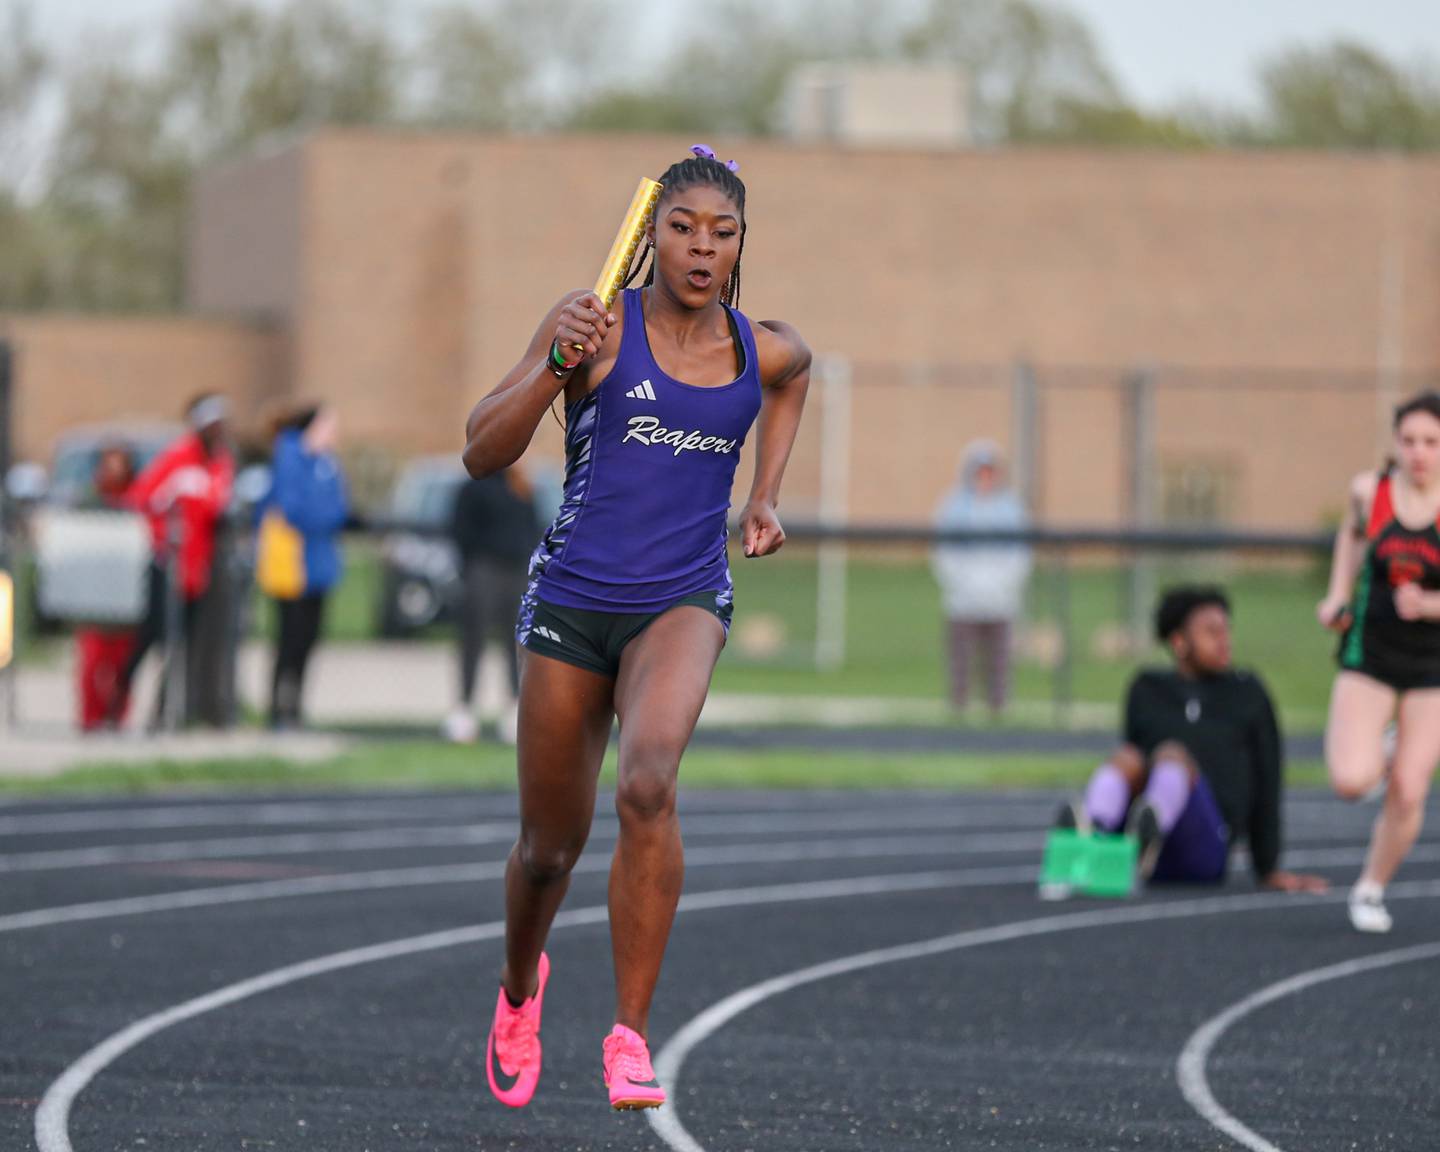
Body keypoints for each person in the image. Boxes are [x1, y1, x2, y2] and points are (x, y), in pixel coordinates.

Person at [462, 146, 810, 1112]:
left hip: (682, 601)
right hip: (572, 602)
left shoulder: (758, 347)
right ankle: (521, 993)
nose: (702, 248)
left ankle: (628, 1037)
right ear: (650, 236)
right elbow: (481, 450)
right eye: (683, 228)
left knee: (649, 781)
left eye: (722, 233)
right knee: (546, 849)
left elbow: (796, 376)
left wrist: (766, 494)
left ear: (742, 246)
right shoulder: (596, 327)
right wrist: (554, 371)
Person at [1057, 586, 1327, 894]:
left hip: (1206, 844)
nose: (1224, 641)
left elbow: (1268, 776)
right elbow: (1135, 765)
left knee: (1172, 755)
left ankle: (1150, 828)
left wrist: (1268, 867)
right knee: (1128, 758)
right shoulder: (1147, 689)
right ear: (1179, 642)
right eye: (1212, 632)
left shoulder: (1247, 692)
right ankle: (1093, 833)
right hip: (1140, 846)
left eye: (1227, 631)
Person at [1318, 389, 1440, 933]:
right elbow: (1349, 541)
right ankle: (1385, 747)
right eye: (1409, 440)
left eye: (1431, 442)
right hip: (1370, 653)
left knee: (1411, 788)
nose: (1419, 452)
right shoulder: (1370, 493)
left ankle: (1371, 887)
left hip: (1432, 667)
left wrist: (1431, 605)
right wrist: (1337, 594)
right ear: (1395, 443)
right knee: (1349, 781)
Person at [112, 393, 235, 728]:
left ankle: (164, 711)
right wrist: (163, 539)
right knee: (151, 636)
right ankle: (115, 702)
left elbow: (218, 506)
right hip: (168, 565)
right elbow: (142, 498)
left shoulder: (220, 462)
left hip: (198, 568)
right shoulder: (178, 458)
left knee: (183, 645)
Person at [260, 403, 348, 730]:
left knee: (310, 639)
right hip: (292, 564)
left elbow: (340, 505)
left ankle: (295, 706)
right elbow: (292, 508)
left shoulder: (329, 463)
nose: (334, 433)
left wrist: (329, 517)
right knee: (288, 638)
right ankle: (277, 708)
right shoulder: (290, 456)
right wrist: (326, 517)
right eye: (329, 425)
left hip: (320, 564)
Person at [930, 440, 1031, 715]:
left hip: (1000, 597)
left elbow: (1020, 554)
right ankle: (959, 705)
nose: (985, 478)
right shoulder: (952, 506)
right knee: (961, 656)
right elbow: (943, 553)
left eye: (990, 472)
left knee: (998, 658)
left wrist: (1004, 583)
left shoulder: (1011, 508)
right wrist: (961, 581)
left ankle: (997, 706)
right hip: (963, 597)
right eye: (980, 472)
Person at [444, 464, 539, 745]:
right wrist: (471, 566)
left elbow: (532, 528)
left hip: (517, 571)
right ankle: (464, 708)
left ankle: (514, 707)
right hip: (483, 568)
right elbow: (460, 531)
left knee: (518, 644)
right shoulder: (473, 487)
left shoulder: (521, 486)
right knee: (473, 641)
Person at [75, 444, 138, 731]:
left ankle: (117, 717)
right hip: (93, 596)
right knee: (91, 662)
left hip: (125, 595)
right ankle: (90, 717)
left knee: (121, 664)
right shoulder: (89, 501)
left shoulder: (136, 500)